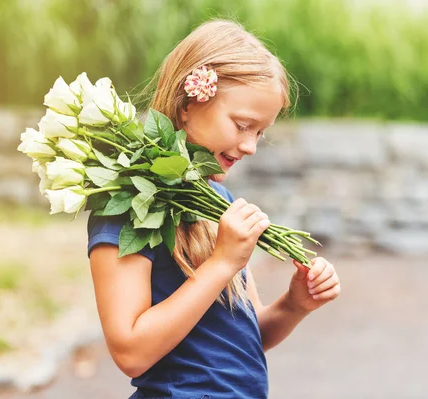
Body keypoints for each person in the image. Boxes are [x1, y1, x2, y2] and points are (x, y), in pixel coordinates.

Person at [87, 19, 341, 399]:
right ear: (189, 103)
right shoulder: (126, 203)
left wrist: (293, 305)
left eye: (260, 132)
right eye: (242, 125)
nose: (251, 145)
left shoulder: (217, 202)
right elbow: (130, 350)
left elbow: (242, 336)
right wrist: (222, 263)